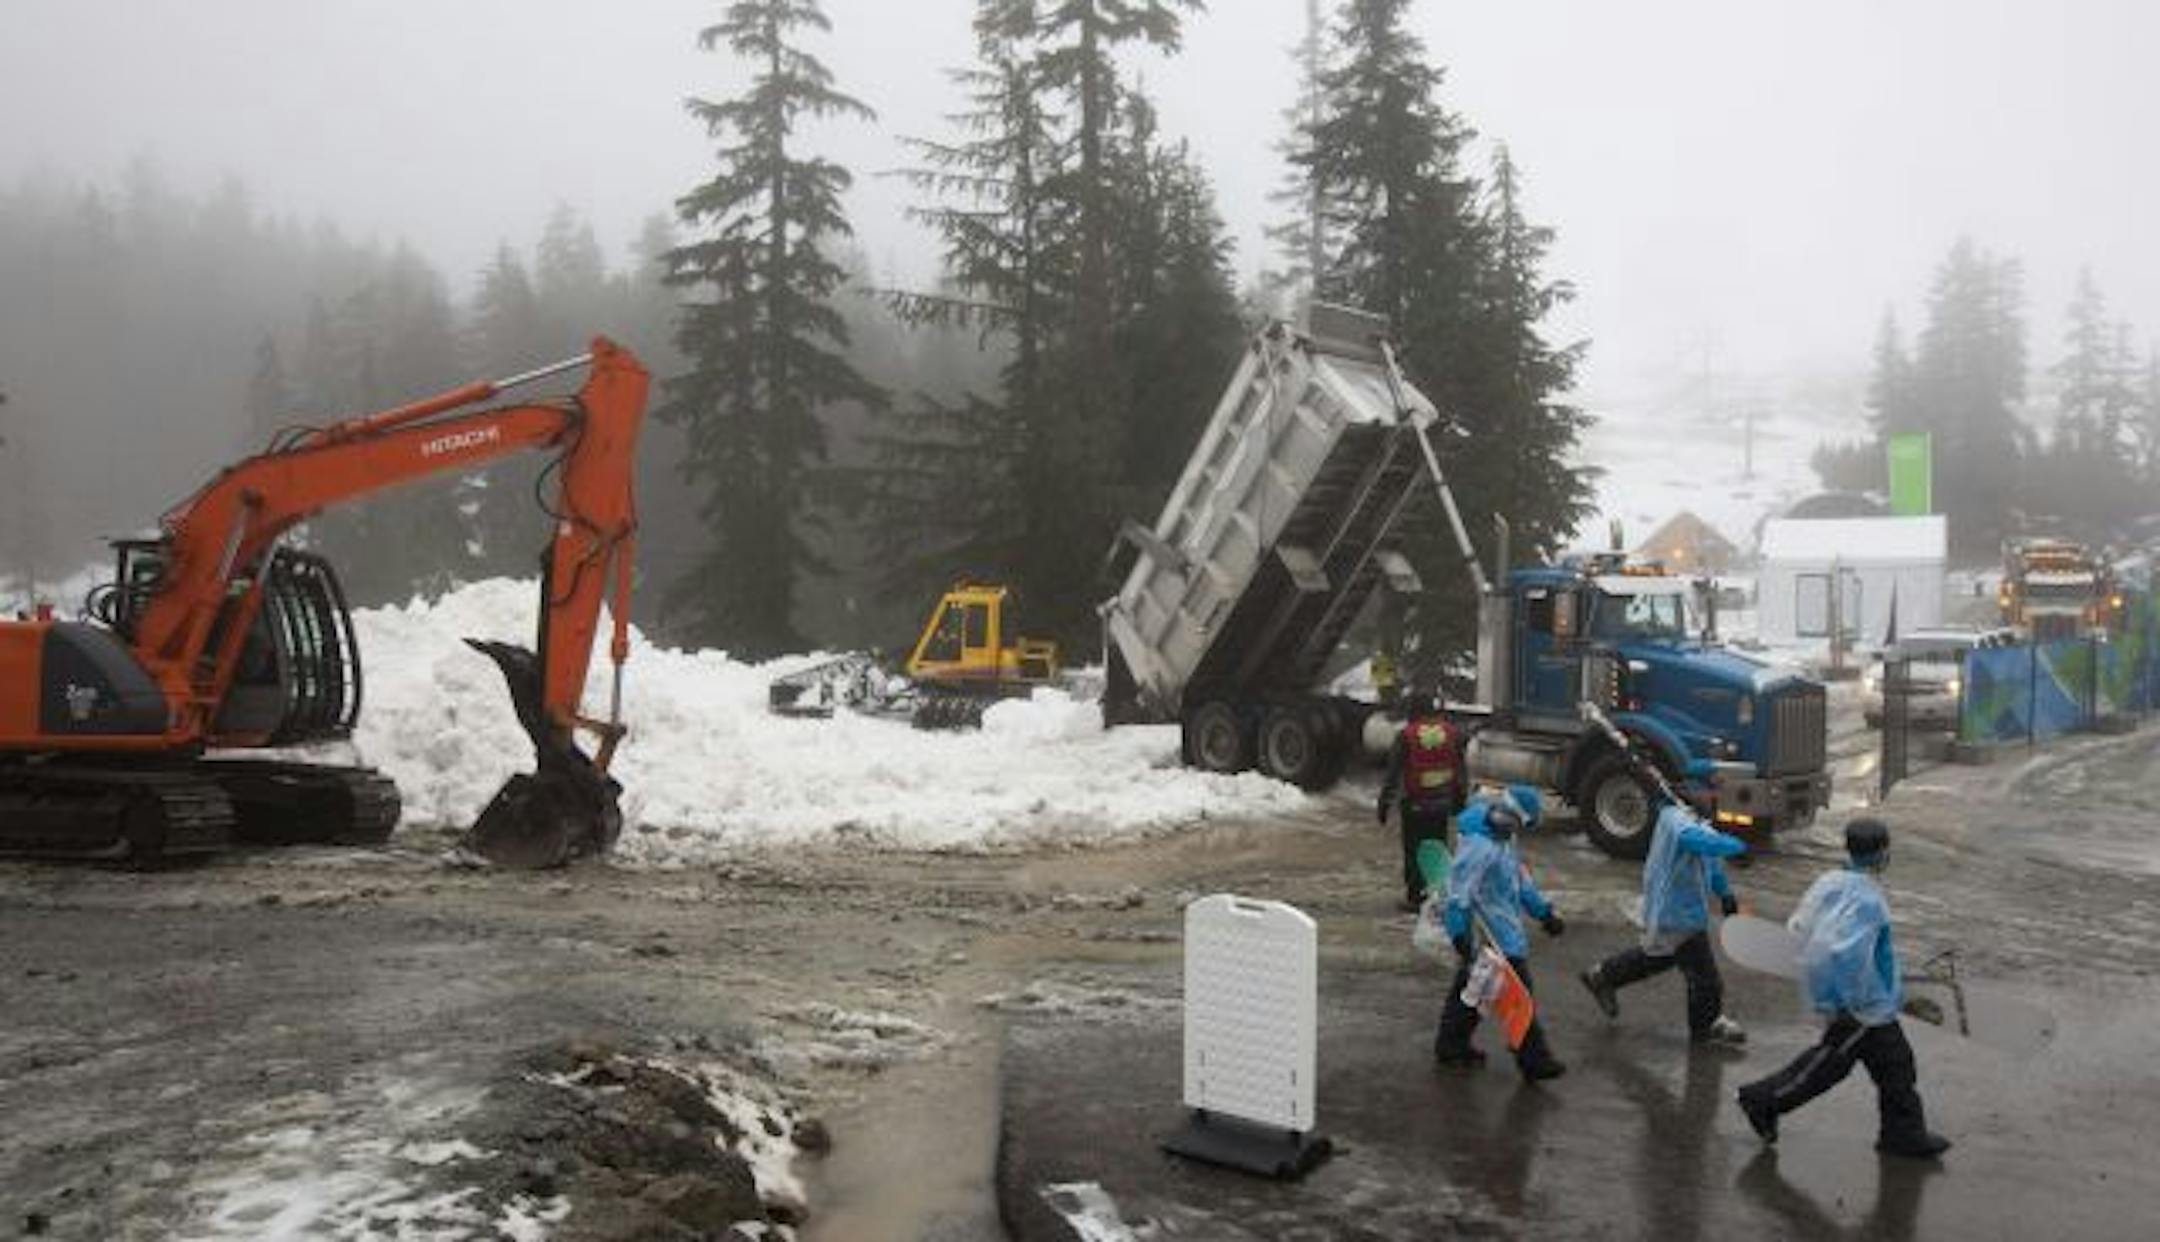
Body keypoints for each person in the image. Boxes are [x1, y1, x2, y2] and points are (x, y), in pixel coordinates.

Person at [1734, 818, 1952, 1158]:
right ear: (1883, 853)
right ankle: (1763, 1100)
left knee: (1887, 1065)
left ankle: (1903, 1133)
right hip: (1864, 1005)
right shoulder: (1868, 899)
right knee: (1835, 1065)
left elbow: (1798, 926)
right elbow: (1841, 952)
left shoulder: (1829, 881)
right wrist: (1856, 1002)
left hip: (1851, 998)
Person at [1579, 799, 1749, 1048]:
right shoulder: (1675, 820)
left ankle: (1603, 976)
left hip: (1684, 912)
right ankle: (1707, 1025)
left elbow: (1711, 864)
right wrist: (1734, 846)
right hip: (1675, 911)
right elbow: (1693, 840)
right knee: (1704, 977)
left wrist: (1725, 895)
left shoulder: (1699, 824)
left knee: (1660, 957)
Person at [1435, 784, 1567, 1081]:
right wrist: (1459, 933)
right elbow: (1459, 893)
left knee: (1472, 989)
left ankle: (1451, 1046)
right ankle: (1534, 1059)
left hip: (1503, 930)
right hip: (1491, 935)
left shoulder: (1505, 840)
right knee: (1519, 995)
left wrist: (1544, 913)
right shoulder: (1480, 845)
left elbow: (1520, 883)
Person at [1377, 689, 1466, 911]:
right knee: (1437, 848)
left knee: (1414, 850)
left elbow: (1393, 775)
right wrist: (1460, 801)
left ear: (1413, 710)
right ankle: (1438, 895)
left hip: (1415, 805)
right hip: (1441, 804)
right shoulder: (1451, 733)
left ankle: (1415, 898)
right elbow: (1460, 771)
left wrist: (1384, 804)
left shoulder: (1406, 735)